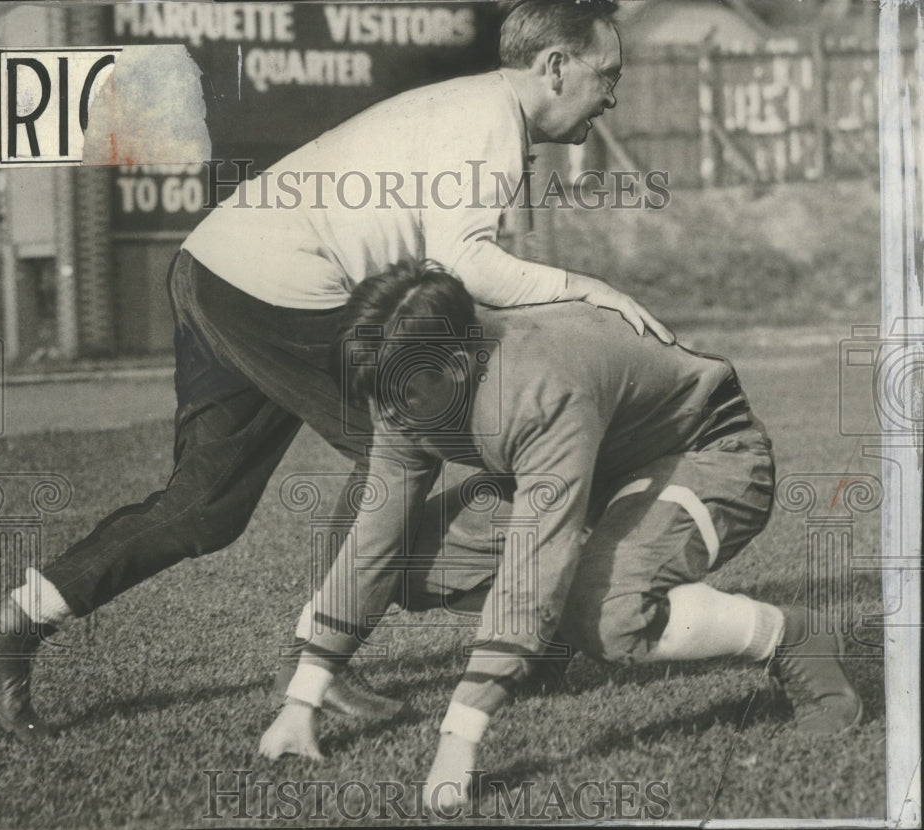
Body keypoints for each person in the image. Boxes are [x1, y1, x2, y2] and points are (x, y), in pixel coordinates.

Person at [0, 0, 672, 740]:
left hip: (215, 267)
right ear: (555, 68)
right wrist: (597, 293)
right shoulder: (488, 118)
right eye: (606, 73)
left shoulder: (478, 110)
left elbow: (437, 275)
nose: (612, 92)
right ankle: (318, 661)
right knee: (399, 450)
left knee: (204, 505)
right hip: (271, 285)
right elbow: (466, 264)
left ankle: (12, 623)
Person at [258, 263, 864, 813]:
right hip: (600, 472)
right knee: (410, 561)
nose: (395, 411)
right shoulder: (406, 378)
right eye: (384, 393)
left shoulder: (538, 386)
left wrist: (460, 735)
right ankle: (549, 646)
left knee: (608, 615)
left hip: (705, 453)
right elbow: (375, 540)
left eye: (410, 392)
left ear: (462, 362)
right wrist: (302, 699)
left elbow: (534, 561)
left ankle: (791, 637)